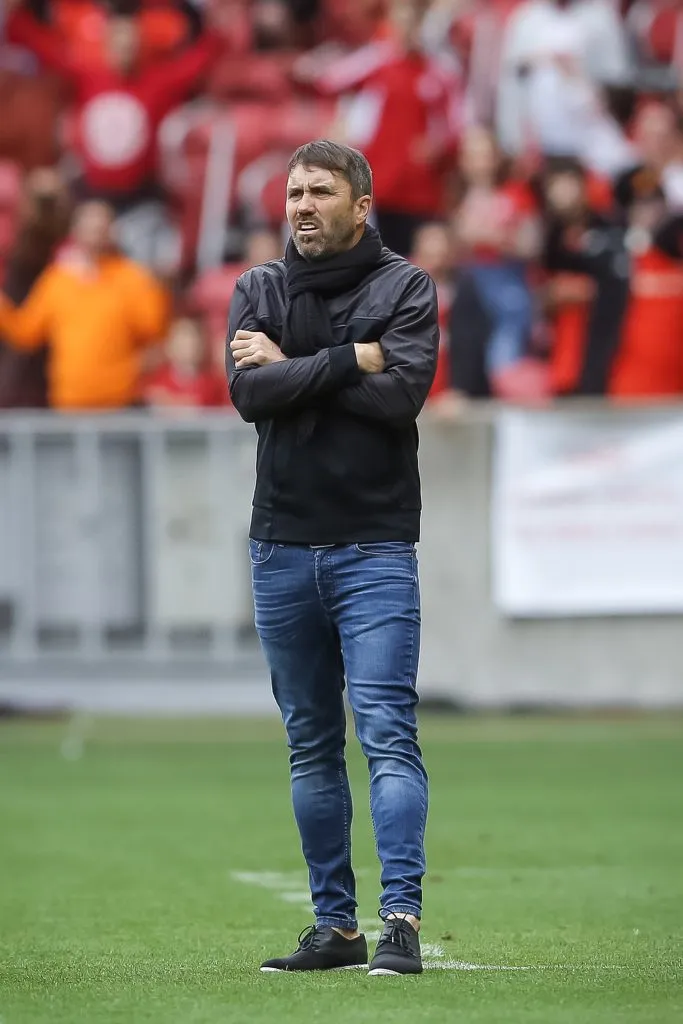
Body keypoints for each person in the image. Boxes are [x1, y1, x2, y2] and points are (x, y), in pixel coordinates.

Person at [226, 139, 439, 975]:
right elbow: (250, 394)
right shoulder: (259, 287)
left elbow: (400, 397)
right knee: (311, 744)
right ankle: (335, 928)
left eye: (320, 192)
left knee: (386, 734)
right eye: (294, 194)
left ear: (361, 204)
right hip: (280, 546)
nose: (303, 207)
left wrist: (295, 367)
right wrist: (353, 357)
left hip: (374, 547)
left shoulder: (405, 287)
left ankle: (400, 921)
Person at [0, 199, 170, 410]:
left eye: (101, 228)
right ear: (75, 232)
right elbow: (26, 333)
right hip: (69, 403)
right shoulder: (58, 280)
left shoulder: (132, 278)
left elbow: (156, 333)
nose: (95, 235)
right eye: (89, 228)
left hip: (120, 404)